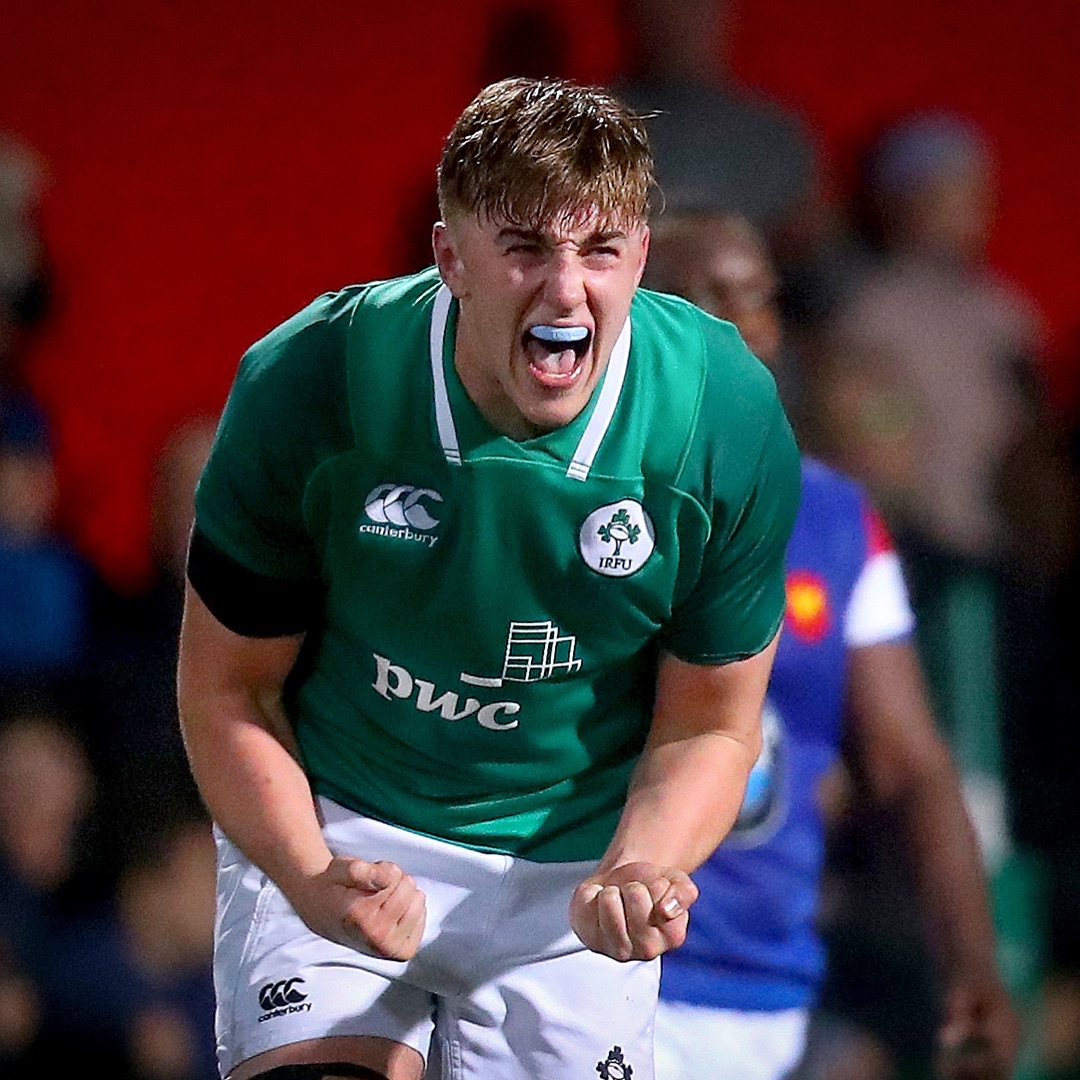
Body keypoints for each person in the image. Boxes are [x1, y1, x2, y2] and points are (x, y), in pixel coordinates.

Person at [177, 77, 801, 1080]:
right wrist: (308, 871)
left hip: (576, 877)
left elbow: (711, 726)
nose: (565, 290)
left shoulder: (721, 415)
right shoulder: (314, 379)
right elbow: (228, 690)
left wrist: (642, 867)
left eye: (600, 251)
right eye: (524, 248)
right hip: (345, 826)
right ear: (449, 258)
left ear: (641, 256)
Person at [643, 211, 1019, 1080]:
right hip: (596, 965)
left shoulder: (836, 519)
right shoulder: (569, 494)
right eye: (701, 297)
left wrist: (972, 963)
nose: (740, 323)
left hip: (766, 985)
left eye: (756, 298)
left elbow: (909, 766)